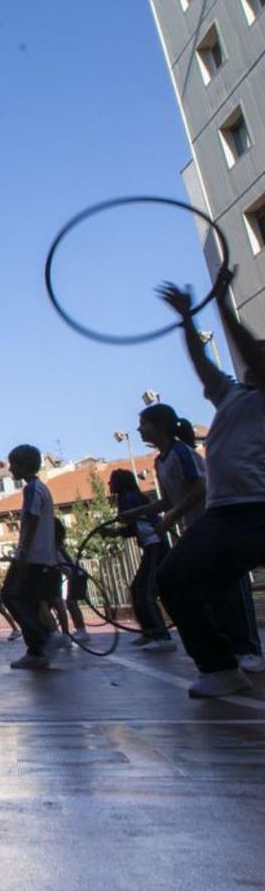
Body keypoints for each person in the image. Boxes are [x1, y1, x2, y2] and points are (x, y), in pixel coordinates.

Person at [155, 274, 265, 696]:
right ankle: (220, 668)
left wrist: (220, 303)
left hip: (258, 509)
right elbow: (201, 362)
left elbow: (249, 349)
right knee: (173, 578)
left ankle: (241, 652)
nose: (253, 358)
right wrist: (186, 318)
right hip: (225, 515)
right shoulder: (231, 395)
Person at [136, 402, 259, 666]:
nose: (139, 429)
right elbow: (167, 500)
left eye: (143, 423)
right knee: (208, 592)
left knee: (232, 589)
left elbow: (199, 489)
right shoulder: (160, 461)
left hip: (217, 526)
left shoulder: (182, 452)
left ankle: (248, 649)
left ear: (160, 426)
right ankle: (226, 651)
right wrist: (138, 512)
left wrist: (170, 517)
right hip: (196, 532)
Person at [2, 444, 69, 670]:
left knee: (10, 595)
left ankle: (44, 638)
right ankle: (37, 652)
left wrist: (22, 551)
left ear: (23, 465)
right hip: (42, 557)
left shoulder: (31, 489)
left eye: (13, 464)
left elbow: (31, 519)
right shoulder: (42, 488)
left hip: (32, 557)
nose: (10, 469)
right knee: (29, 600)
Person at [102, 467, 173, 651]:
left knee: (146, 592)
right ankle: (150, 632)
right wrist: (115, 532)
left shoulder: (129, 498)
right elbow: (135, 527)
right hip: (151, 546)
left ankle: (162, 637)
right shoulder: (133, 497)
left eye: (112, 481)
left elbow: (137, 524)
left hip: (155, 545)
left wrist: (116, 530)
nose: (109, 484)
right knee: (137, 589)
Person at [51, 518, 89, 644]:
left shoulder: (56, 545)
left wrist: (72, 572)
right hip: (74, 573)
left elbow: (66, 560)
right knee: (71, 602)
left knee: (71, 602)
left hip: (75, 573)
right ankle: (81, 630)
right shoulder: (56, 544)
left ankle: (82, 631)